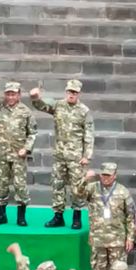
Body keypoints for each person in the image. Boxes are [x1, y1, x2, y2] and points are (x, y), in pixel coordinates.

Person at [30, 80, 94, 229]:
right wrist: (35, 97)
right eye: (70, 92)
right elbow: (42, 105)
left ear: (78, 93)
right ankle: (58, 216)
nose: (72, 95)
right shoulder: (58, 105)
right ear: (66, 92)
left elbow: (89, 134)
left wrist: (87, 155)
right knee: (57, 185)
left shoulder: (84, 110)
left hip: (76, 156)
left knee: (77, 187)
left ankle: (76, 217)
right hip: (60, 154)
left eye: (75, 92)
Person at [0, 76, 37, 226]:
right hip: (2, 153)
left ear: (19, 95)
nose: (10, 97)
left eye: (13, 94)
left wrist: (26, 149)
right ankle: (1, 214)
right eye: (8, 94)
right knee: (1, 184)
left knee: (20, 185)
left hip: (18, 155)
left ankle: (21, 216)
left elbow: (32, 133)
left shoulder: (25, 112)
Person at [72, 163, 136, 270]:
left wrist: (130, 238)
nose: (105, 178)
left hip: (116, 239)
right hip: (97, 239)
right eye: (103, 175)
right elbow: (77, 194)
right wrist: (85, 179)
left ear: (115, 175)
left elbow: (130, 216)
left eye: (109, 175)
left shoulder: (123, 191)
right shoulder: (93, 187)